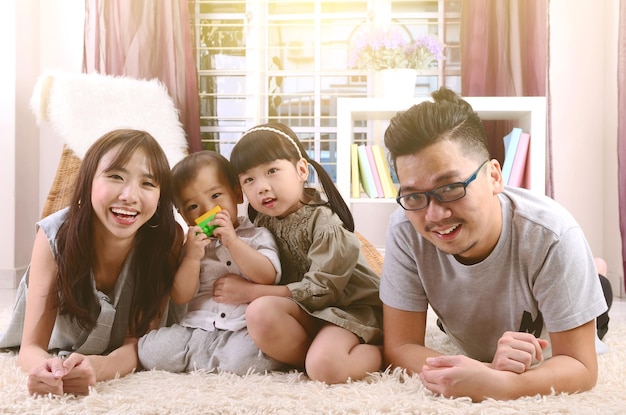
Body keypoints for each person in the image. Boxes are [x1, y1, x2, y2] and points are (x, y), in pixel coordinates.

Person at [379, 87, 610, 402]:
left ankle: (595, 273)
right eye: (415, 195)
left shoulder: (553, 235)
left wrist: (498, 385)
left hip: (552, 311)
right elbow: (401, 347)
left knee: (599, 296)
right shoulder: (406, 227)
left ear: (494, 177)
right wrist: (483, 369)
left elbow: (581, 367)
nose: (434, 215)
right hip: (480, 324)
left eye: (450, 187)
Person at [0, 129, 183, 396]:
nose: (129, 196)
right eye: (116, 177)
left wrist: (100, 367)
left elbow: (139, 344)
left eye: (148, 183)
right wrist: (47, 369)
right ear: (88, 181)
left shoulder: (166, 239)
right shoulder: (54, 236)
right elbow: (30, 348)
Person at [227, 122, 383, 384]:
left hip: (349, 312)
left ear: (301, 170)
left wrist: (251, 292)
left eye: (272, 171)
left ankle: (380, 351)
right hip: (309, 313)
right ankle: (315, 357)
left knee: (326, 367)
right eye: (249, 179)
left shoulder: (326, 225)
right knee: (259, 313)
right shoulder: (263, 224)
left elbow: (321, 291)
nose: (261, 186)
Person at [138, 151, 283, 374]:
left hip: (242, 328)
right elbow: (181, 296)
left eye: (216, 196)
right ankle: (212, 359)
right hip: (197, 328)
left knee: (249, 357)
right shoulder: (193, 246)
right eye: (193, 207)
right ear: (185, 217)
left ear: (237, 194)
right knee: (149, 350)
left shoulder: (257, 235)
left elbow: (268, 276)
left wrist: (233, 242)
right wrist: (192, 257)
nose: (207, 209)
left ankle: (208, 361)